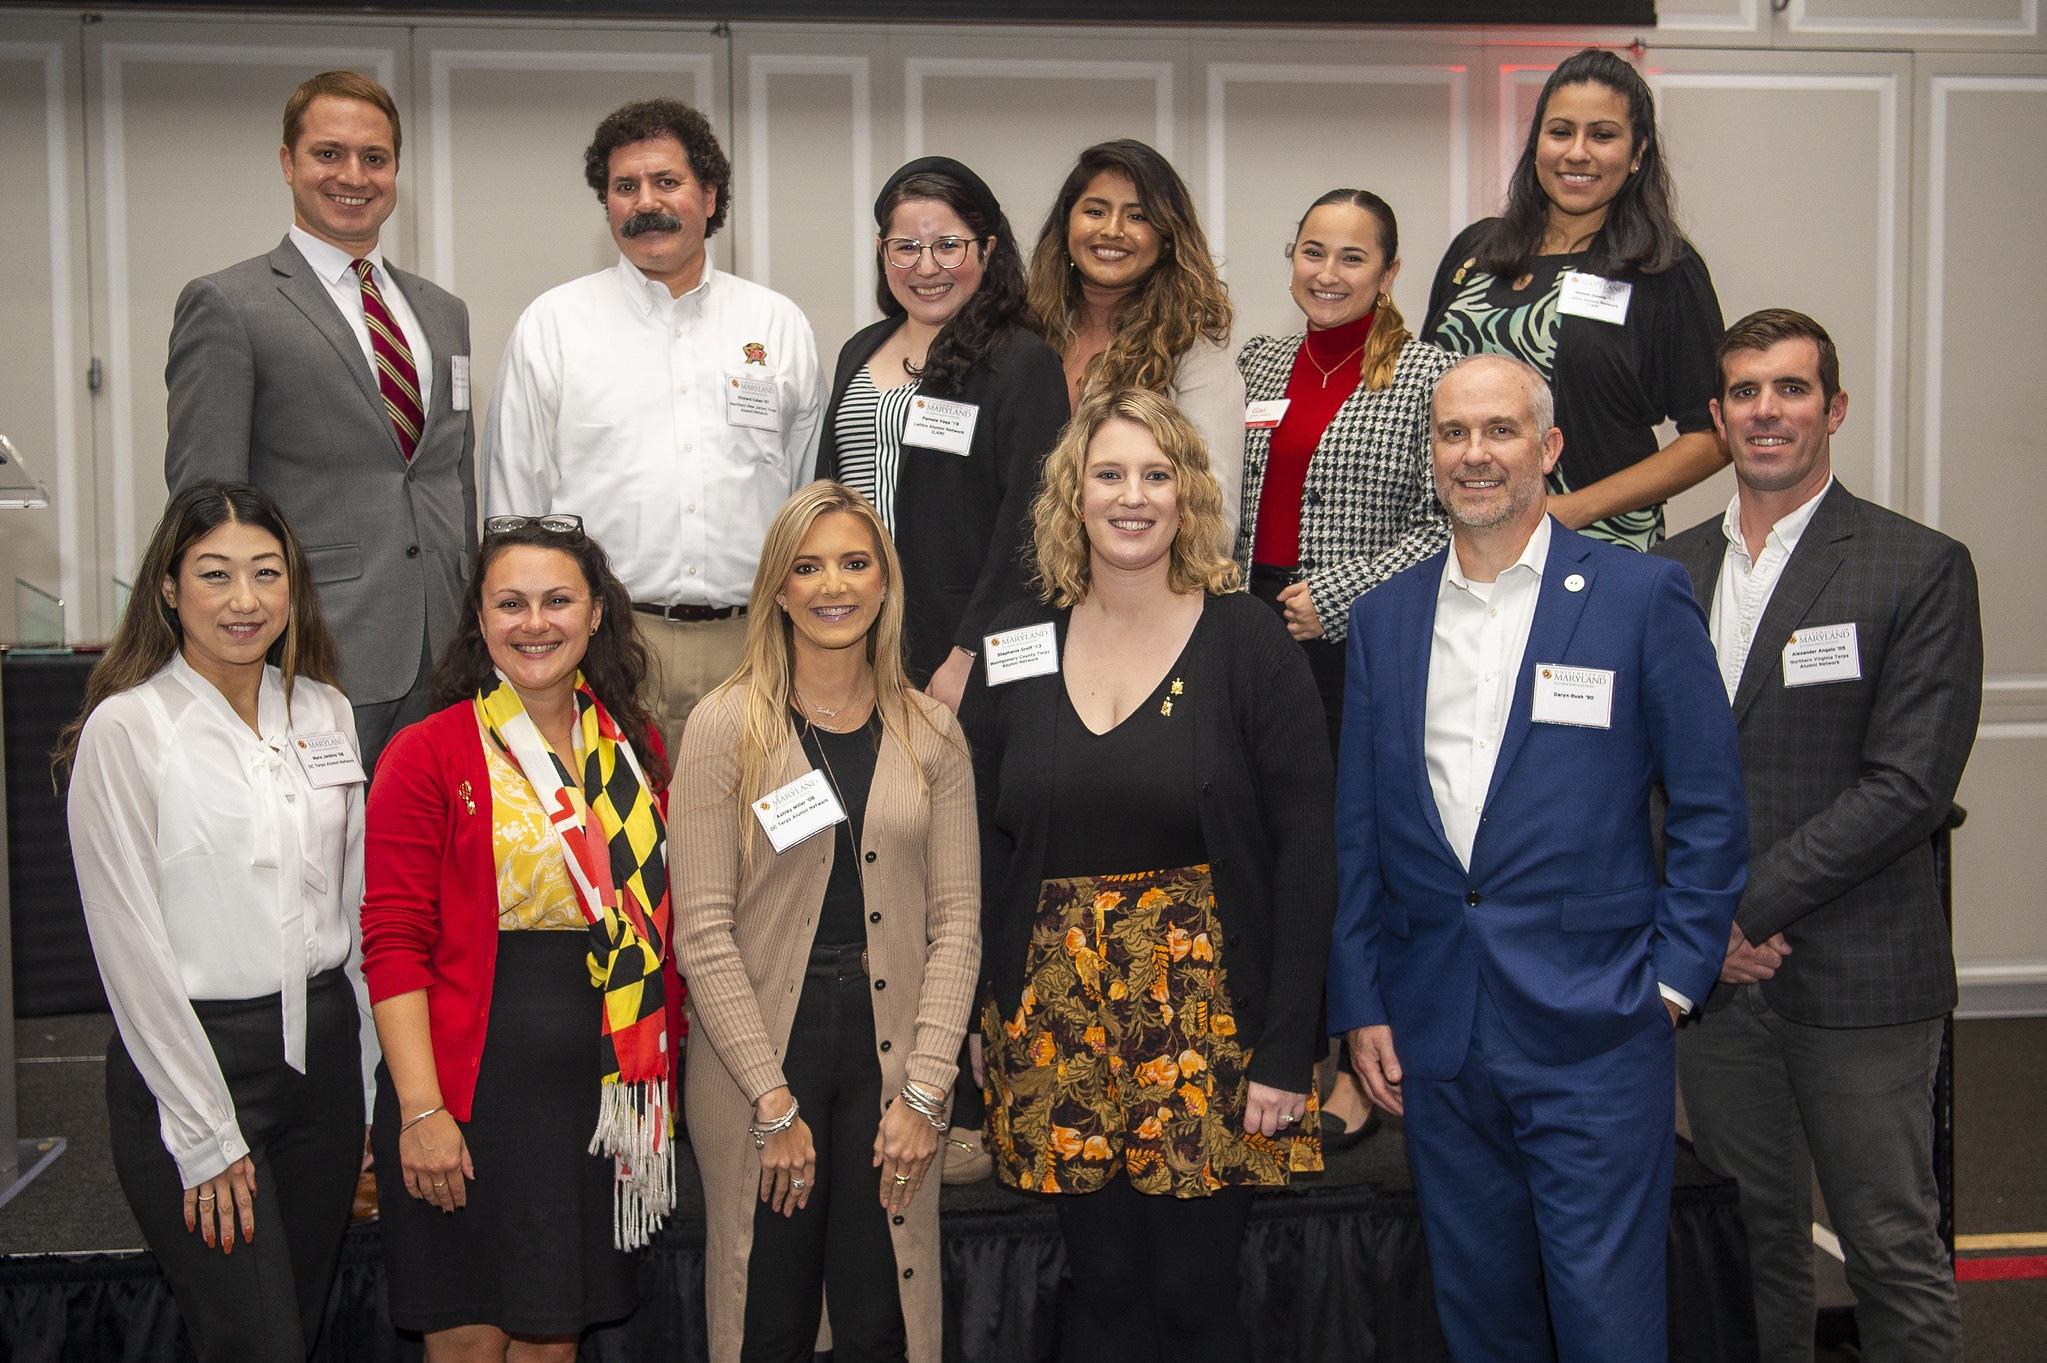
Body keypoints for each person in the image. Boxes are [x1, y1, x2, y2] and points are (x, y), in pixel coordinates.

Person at [1327, 354, 1748, 1362]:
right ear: (1431, 454)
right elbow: (1360, 830)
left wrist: (1675, 982)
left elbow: (1708, 802)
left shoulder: (1638, 596)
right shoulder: (1386, 617)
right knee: (1481, 1319)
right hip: (1436, 1027)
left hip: (1598, 1029)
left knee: (1607, 1322)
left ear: (1548, 448)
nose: (1475, 454)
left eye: (1500, 430)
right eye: (1453, 433)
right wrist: (1362, 1000)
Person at [961, 386, 1332, 1362]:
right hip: (1056, 1016)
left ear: (1188, 494)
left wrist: (1288, 1048)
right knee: (1105, 1289)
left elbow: (1305, 850)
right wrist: (981, 1012)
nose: (1133, 496)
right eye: (1109, 473)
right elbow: (982, 846)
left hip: (1207, 1018)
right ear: (1071, 494)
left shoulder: (1246, 638)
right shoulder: (1016, 638)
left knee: (1193, 1295)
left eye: (1156, 474)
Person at [1654, 309, 1979, 1363]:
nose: (1765, 410)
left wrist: (1736, 909)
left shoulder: (1914, 566)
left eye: (1789, 389)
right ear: (1715, 416)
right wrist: (1705, 928)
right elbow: (1639, 773)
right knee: (1752, 1243)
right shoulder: (1670, 570)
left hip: (1859, 973)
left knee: (1889, 1244)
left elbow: (1908, 784)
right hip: (1722, 989)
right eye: (1744, 391)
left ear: (1831, 408)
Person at [57, 481, 375, 1361]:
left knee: (295, 1330)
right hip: (193, 1065)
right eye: (216, 574)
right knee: (259, 1340)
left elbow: (351, 910)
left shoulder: (326, 710)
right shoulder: (127, 729)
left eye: (266, 573)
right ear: (169, 587)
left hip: (322, 1064)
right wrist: (202, 1130)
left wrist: (373, 1087)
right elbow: (130, 953)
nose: (245, 600)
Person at [671, 482, 980, 1363]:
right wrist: (771, 1101)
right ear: (777, 588)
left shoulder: (933, 734)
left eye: (854, 562)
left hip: (892, 1053)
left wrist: (925, 1091)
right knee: (766, 1312)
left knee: (880, 1314)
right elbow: (702, 928)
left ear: (886, 582)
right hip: (759, 1056)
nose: (832, 585)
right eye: (807, 566)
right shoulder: (724, 727)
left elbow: (957, 923)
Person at [361, 516, 680, 1358]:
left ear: (597, 613)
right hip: (469, 1097)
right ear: (478, 618)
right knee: (467, 1342)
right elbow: (392, 943)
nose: (534, 622)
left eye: (557, 600)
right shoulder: (426, 753)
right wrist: (422, 1108)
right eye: (510, 603)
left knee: (554, 1342)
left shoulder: (635, 747)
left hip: (592, 1097)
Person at [485, 97, 824, 755]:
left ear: (709, 194)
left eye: (666, 182)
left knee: (751, 846)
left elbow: (803, 495)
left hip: (749, 643)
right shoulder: (553, 326)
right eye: (624, 187)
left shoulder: (775, 325)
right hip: (605, 643)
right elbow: (513, 508)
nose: (646, 202)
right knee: (609, 845)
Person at [166, 71, 476, 776]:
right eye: (328, 154)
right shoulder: (230, 303)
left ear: (396, 170)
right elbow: (203, 497)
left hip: (445, 648)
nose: (353, 176)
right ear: (287, 163)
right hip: (313, 641)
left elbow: (453, 477)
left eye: (374, 158)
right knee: (319, 865)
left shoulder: (441, 312)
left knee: (432, 858)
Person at [1237, 189, 1454, 1157]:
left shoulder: (1426, 376)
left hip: (1354, 644)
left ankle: (1344, 1065)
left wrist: (1342, 591)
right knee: (1258, 847)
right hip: (1247, 634)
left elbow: (1449, 519)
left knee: (1335, 850)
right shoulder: (1257, 363)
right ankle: (1270, 1044)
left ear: (1390, 272)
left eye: (1351, 258)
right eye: (1311, 251)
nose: (1326, 273)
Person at [1423, 47, 1725, 551]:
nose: (1577, 152)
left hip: (1596, 545)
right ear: (1537, 142)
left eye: (1602, 135)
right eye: (1560, 131)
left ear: (1637, 153)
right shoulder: (1475, 249)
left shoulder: (1664, 268)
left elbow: (1713, 434)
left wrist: (1574, 508)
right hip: (1458, 541)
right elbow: (1425, 399)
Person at [816, 156, 1069, 708]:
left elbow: (1030, 523)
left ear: (987, 250)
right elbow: (827, 498)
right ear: (883, 252)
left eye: (948, 245)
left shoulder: (1022, 362)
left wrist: (969, 653)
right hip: (853, 634)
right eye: (905, 247)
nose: (926, 267)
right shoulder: (859, 350)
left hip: (958, 648)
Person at [1027, 139, 1246, 542]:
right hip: (1022, 584)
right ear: (1066, 225)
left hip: (1140, 590)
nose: (1112, 230)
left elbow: (1213, 511)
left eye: (1138, 216)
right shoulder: (1029, 334)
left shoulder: (1193, 349)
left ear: (1167, 238)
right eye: (1095, 211)